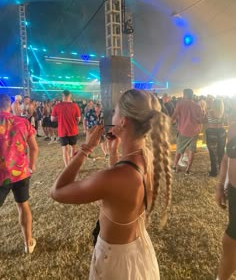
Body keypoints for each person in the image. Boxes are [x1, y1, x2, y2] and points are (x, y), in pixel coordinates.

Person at [50, 89, 172, 280]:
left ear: (122, 121)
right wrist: (114, 153)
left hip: (115, 262)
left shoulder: (112, 177)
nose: (111, 115)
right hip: (139, 250)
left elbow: (57, 192)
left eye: (115, 111)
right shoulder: (147, 157)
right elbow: (121, 193)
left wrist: (86, 148)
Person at [0, 94, 38, 253]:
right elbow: (34, 148)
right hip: (21, 172)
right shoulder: (23, 122)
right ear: (10, 105)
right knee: (23, 206)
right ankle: (28, 243)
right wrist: (31, 165)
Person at [215, 98, 236, 280]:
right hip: (235, 194)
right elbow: (226, 158)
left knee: (230, 241)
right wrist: (220, 185)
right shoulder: (234, 127)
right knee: (230, 243)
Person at [171, 88, 203, 175]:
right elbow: (200, 120)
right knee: (191, 151)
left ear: (184, 95)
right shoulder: (197, 106)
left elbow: (173, 117)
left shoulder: (180, 104)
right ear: (192, 95)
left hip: (183, 131)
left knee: (179, 150)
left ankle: (174, 167)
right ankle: (188, 171)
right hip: (194, 131)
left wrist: (171, 123)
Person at [51, 90, 81, 167]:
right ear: (70, 96)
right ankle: (72, 165)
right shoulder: (75, 106)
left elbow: (52, 119)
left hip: (62, 130)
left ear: (62, 96)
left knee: (65, 150)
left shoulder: (57, 106)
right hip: (73, 130)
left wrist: (60, 118)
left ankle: (67, 167)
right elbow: (78, 119)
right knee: (73, 148)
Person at [206, 98, 226, 177]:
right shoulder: (223, 113)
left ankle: (214, 172)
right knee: (221, 152)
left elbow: (204, 120)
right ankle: (222, 171)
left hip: (212, 132)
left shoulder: (210, 112)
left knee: (213, 153)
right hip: (222, 132)